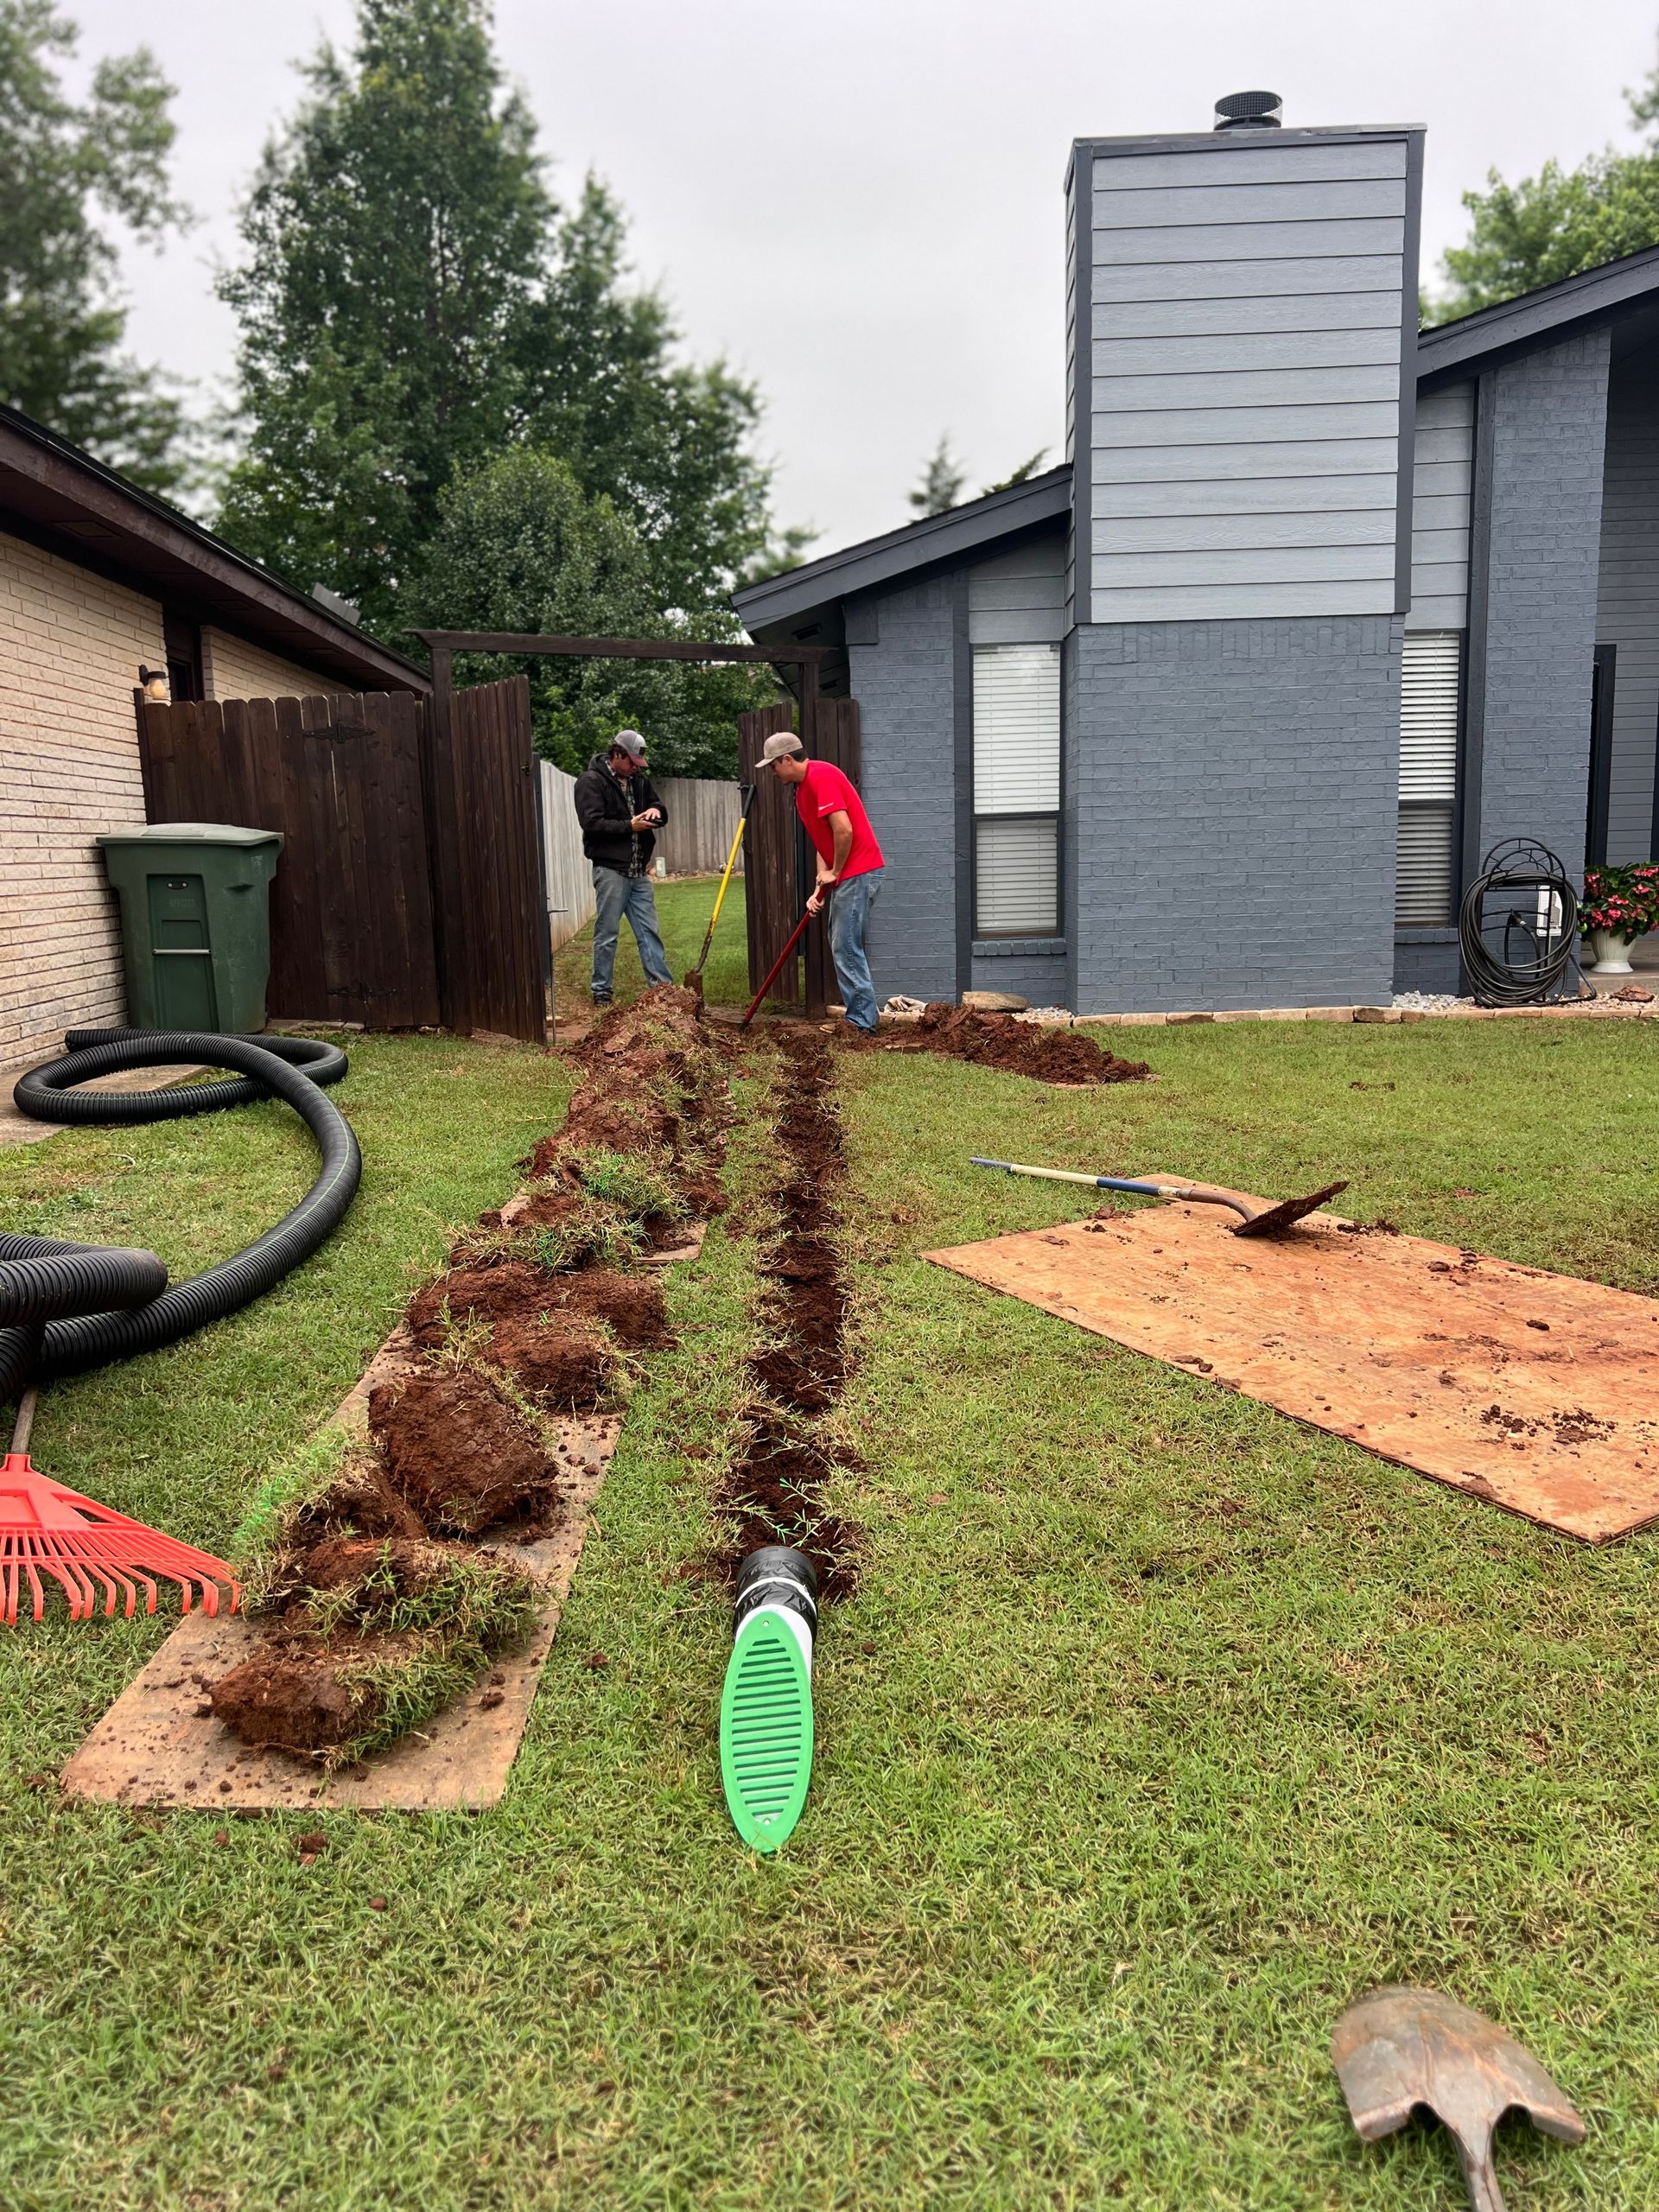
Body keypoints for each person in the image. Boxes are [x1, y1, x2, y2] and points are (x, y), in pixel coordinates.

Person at [760, 731, 886, 1035]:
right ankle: (861, 1019)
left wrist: (836, 871)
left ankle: (863, 1024)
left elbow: (844, 830)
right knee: (840, 944)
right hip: (847, 873)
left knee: (846, 947)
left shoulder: (822, 776)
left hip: (859, 871)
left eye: (773, 766)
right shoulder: (802, 791)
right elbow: (824, 839)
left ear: (787, 759)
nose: (772, 773)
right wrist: (820, 887)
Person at [573, 729, 674, 1007]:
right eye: (630, 763)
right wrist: (629, 825)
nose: (634, 769)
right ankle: (601, 991)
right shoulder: (591, 782)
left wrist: (656, 811)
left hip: (637, 870)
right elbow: (592, 824)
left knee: (648, 931)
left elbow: (658, 806)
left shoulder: (638, 781)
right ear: (616, 755)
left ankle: (662, 990)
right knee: (607, 933)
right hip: (611, 871)